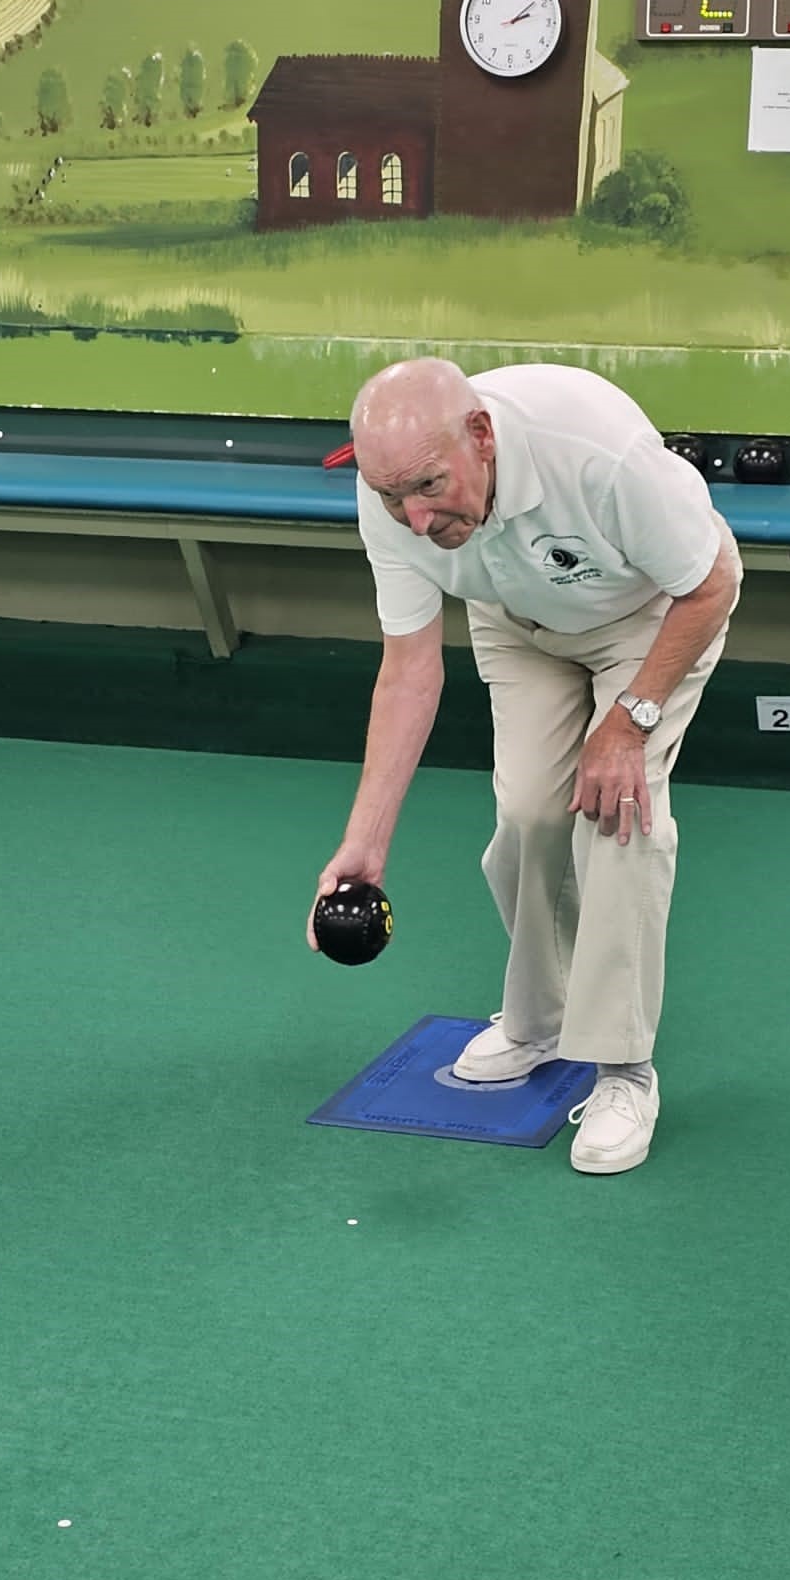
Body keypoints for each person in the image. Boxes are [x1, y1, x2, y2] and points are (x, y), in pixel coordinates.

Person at [308, 359, 742, 1176]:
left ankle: (624, 1070)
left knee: (619, 814)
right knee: (529, 816)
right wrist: (363, 845)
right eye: (392, 495)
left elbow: (710, 583)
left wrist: (629, 720)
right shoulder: (390, 500)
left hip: (652, 615)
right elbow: (409, 669)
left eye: (430, 486)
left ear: (481, 436)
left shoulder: (594, 453)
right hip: (517, 620)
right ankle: (538, 1020)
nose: (416, 517)